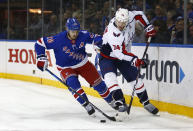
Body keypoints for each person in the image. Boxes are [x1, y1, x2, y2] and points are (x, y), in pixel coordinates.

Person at [34, 18, 114, 117]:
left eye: (77, 31)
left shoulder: (83, 35)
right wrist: (41, 57)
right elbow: (39, 43)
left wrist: (99, 43)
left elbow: (97, 38)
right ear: (67, 29)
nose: (75, 34)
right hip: (65, 67)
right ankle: (86, 104)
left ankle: (112, 102)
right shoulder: (58, 39)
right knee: (73, 84)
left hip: (83, 64)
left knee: (99, 84)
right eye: (72, 31)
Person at [96, 8, 159, 117]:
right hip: (108, 57)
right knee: (110, 79)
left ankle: (146, 102)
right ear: (115, 19)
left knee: (136, 79)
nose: (120, 24)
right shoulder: (113, 33)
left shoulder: (129, 17)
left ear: (127, 20)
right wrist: (135, 60)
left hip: (123, 56)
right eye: (119, 21)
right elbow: (120, 54)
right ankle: (120, 101)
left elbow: (139, 14)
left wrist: (147, 26)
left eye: (123, 22)